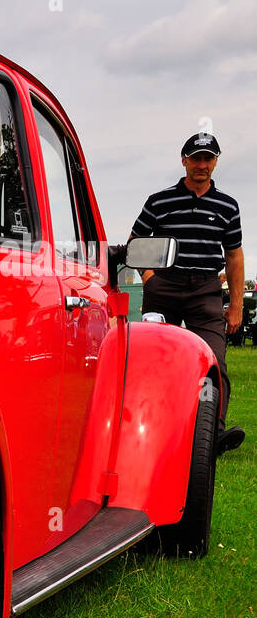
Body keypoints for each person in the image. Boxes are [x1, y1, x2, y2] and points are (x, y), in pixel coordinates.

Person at [131, 132, 245, 453]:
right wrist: (150, 278)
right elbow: (135, 242)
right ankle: (150, 428)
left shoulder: (228, 206)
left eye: (208, 159)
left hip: (206, 292)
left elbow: (234, 256)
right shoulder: (159, 201)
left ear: (216, 162)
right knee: (154, 361)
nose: (202, 165)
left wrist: (235, 305)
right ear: (184, 160)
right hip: (163, 287)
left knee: (213, 362)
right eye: (195, 158)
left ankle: (212, 435)